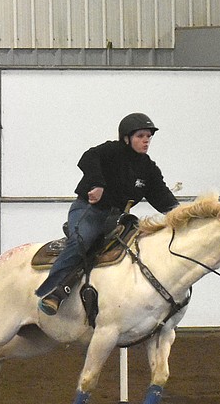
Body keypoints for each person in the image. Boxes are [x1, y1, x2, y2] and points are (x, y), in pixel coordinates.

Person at [35, 112, 179, 315]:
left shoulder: (148, 168)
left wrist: (182, 215)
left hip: (117, 218)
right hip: (89, 210)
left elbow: (162, 196)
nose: (146, 140)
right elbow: (88, 157)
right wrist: (97, 184)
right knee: (82, 241)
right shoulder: (111, 151)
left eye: (149, 136)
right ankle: (50, 292)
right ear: (126, 138)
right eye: (140, 136)